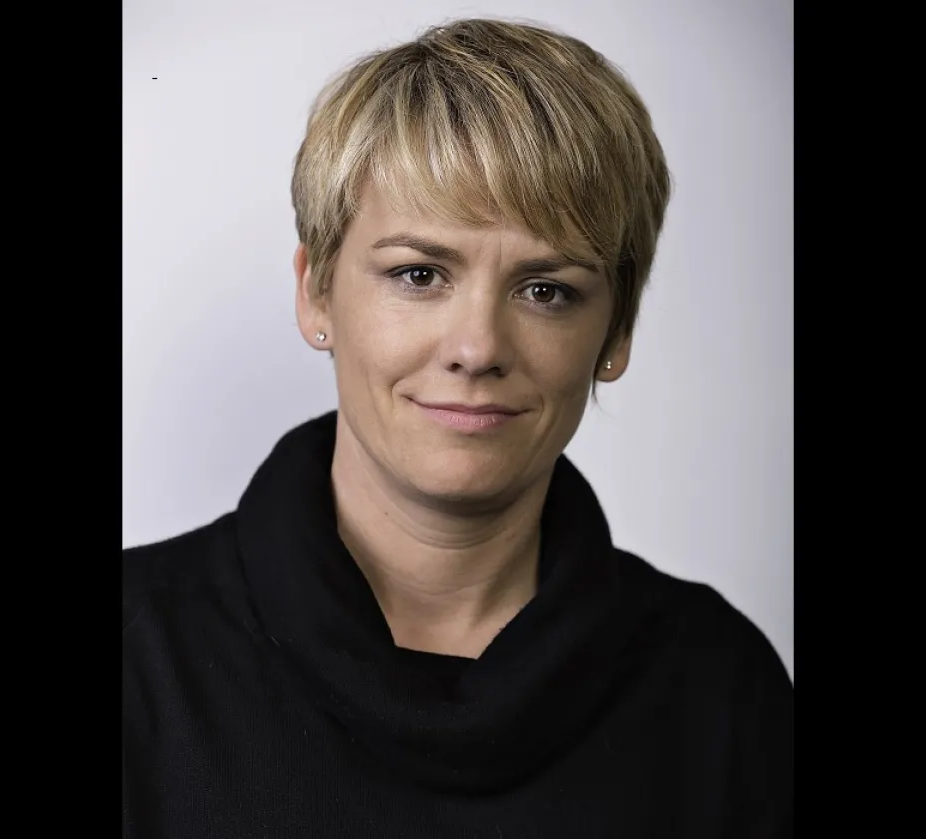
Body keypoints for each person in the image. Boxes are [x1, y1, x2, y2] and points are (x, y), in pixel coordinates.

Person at [123, 17, 792, 838]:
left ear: (616, 333)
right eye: (419, 274)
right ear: (317, 293)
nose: (477, 347)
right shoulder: (137, 656)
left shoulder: (721, 687)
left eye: (545, 289)